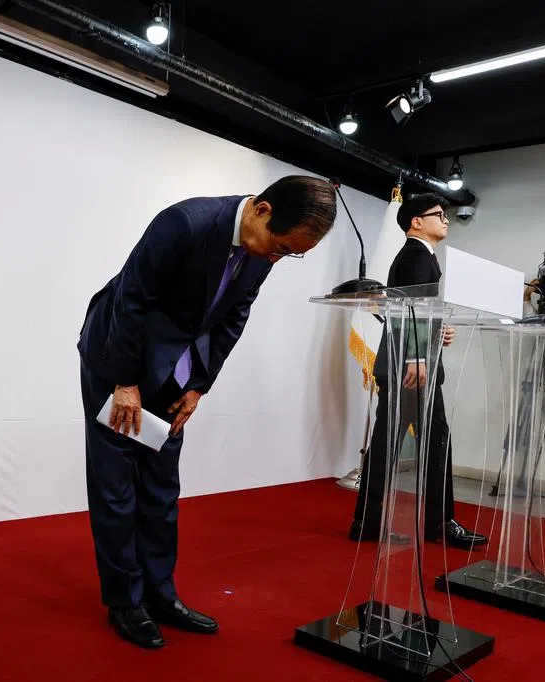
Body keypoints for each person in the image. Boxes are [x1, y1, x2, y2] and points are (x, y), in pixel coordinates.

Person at [77, 176, 337, 649]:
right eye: (281, 247)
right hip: (117, 362)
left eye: (292, 255)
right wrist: (125, 382)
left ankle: (160, 594)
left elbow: (234, 316)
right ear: (261, 210)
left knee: (161, 489)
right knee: (117, 489)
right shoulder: (185, 222)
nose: (277, 259)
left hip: (175, 370)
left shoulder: (263, 252)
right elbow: (131, 299)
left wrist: (199, 385)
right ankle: (125, 602)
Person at [349, 193, 488, 549]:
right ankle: (439, 523)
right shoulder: (416, 255)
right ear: (417, 222)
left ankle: (367, 522)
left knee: (388, 444)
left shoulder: (419, 256)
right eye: (439, 214)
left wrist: (439, 330)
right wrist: (415, 356)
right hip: (410, 369)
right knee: (435, 441)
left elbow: (417, 310)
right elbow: (409, 308)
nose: (446, 220)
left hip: (407, 365)